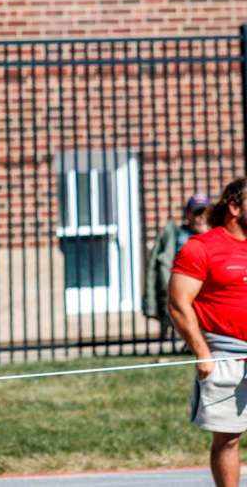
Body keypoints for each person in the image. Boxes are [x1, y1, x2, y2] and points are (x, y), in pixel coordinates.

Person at [168, 178, 247, 487]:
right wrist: (202, 352)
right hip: (226, 352)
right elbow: (178, 304)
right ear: (234, 207)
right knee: (228, 437)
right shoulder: (201, 248)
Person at [143, 193, 211, 337]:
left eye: (206, 213)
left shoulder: (217, 237)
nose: (201, 217)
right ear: (188, 214)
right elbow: (158, 269)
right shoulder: (177, 237)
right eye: (197, 212)